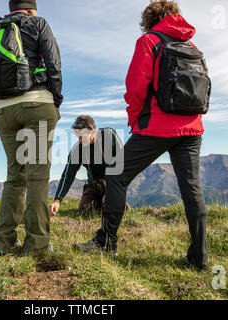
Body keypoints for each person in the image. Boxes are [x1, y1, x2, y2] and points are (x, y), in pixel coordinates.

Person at [74, 0, 209, 270]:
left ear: (150, 19)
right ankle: (199, 257)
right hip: (192, 128)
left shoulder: (149, 41)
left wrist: (135, 120)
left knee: (116, 174)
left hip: (157, 126)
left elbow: (135, 86)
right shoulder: (192, 46)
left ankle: (107, 241)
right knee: (192, 190)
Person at [0, 0, 63, 255]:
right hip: (37, 104)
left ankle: (3, 242)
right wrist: (55, 100)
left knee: (15, 175)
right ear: (32, 8)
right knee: (37, 175)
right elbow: (54, 65)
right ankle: (37, 245)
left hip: (3, 111)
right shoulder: (38, 24)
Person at [49, 115, 124, 215]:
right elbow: (67, 177)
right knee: (84, 211)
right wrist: (57, 200)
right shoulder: (77, 150)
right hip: (94, 185)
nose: (80, 141)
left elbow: (124, 161)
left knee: (110, 207)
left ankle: (118, 204)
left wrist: (115, 188)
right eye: (77, 137)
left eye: (82, 137)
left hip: (114, 182)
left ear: (93, 132)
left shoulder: (109, 136)